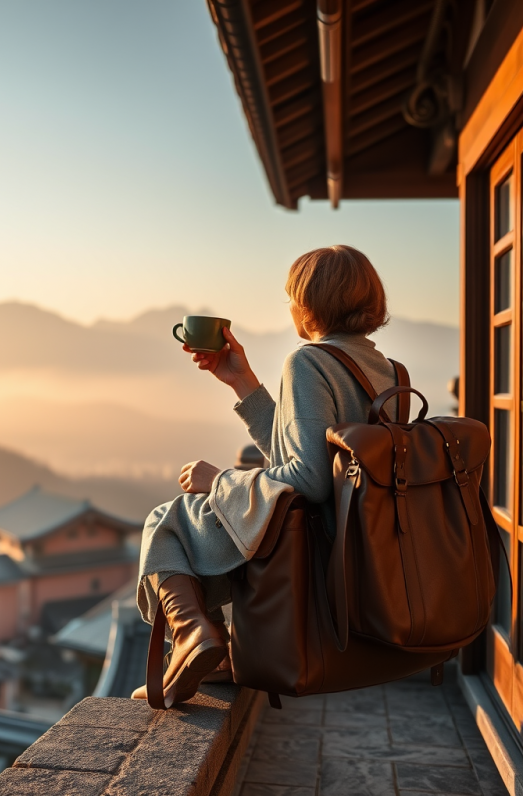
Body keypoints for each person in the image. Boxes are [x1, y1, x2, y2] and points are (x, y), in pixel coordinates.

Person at [132, 245, 403, 707]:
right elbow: (312, 454)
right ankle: (215, 652)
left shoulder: (309, 361)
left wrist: (220, 480)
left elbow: (310, 479)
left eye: (292, 297)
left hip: (311, 547)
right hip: (359, 545)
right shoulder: (389, 371)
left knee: (167, 520)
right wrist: (242, 382)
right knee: (183, 521)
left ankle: (195, 633)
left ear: (309, 305)